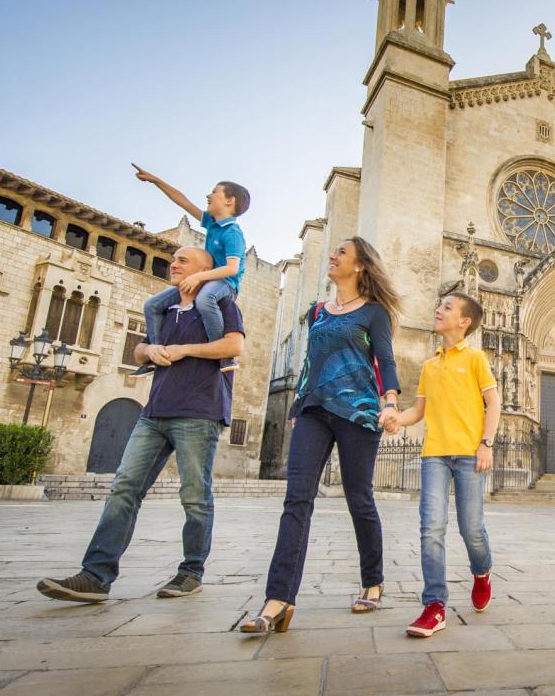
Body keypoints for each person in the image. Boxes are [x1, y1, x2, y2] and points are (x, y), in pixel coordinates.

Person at [37, 247, 245, 602]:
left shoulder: (220, 302)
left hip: (199, 411)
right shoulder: (163, 309)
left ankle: (191, 572)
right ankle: (96, 576)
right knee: (124, 488)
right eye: (173, 259)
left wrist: (183, 350)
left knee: (194, 496)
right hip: (154, 412)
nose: (173, 264)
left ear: (205, 270)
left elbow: (233, 345)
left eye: (183, 260)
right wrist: (148, 352)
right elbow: (140, 349)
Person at [239, 237, 401, 634]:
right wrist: (297, 406)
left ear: (360, 265)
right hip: (313, 410)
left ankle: (373, 581)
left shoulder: (375, 314)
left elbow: (386, 359)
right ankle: (278, 599)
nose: (333, 256)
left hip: (358, 413)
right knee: (296, 499)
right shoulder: (317, 313)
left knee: (359, 497)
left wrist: (391, 402)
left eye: (341, 252)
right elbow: (310, 363)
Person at [386, 291, 500, 638]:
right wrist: (396, 420)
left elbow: (493, 404)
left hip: (469, 454)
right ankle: (434, 606)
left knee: (471, 530)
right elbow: (418, 410)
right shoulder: (429, 365)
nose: (438, 309)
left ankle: (482, 572)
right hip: (434, 454)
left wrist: (486, 444)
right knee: (431, 528)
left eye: (447, 307)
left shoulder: (476, 358)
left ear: (464, 322)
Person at [132, 164, 248, 373]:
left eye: (214, 192)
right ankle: (157, 351)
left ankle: (224, 356)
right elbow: (183, 201)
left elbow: (232, 269)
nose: (208, 195)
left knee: (205, 299)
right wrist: (155, 180)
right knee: (152, 305)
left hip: (226, 283)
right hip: (207, 281)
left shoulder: (232, 233)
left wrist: (198, 277)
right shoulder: (212, 224)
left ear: (229, 201)